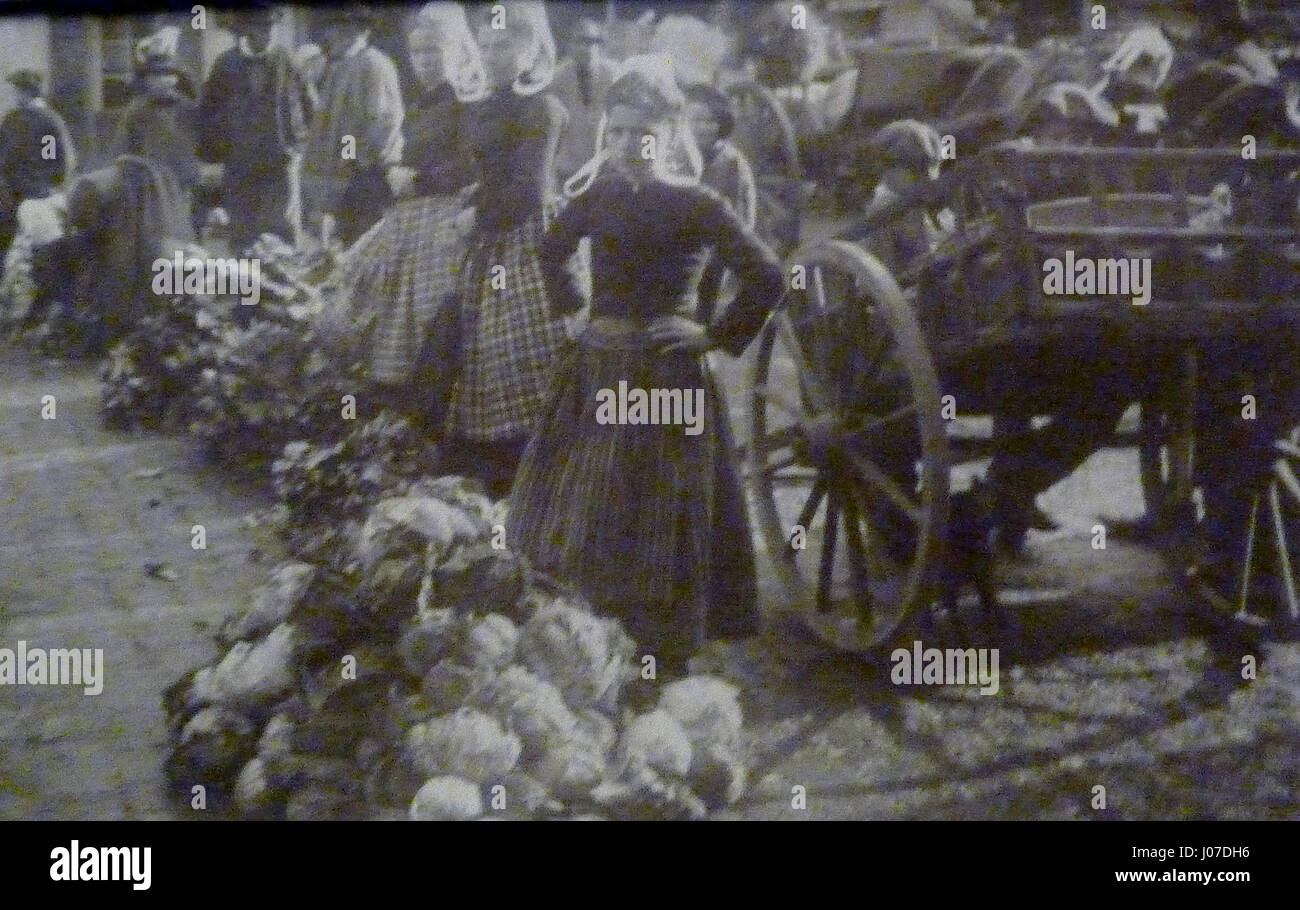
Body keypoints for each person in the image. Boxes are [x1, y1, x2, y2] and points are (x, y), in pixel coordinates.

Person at [507, 57, 785, 675]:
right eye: (618, 132)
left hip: (669, 375)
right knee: (588, 499)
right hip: (598, 368)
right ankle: (589, 634)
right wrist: (575, 312)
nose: (630, 146)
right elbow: (549, 251)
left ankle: (663, 643)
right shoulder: (596, 195)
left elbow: (768, 275)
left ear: (670, 132)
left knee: (662, 506)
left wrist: (711, 335)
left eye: (643, 133)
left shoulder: (696, 203)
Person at [439, 0, 569, 498]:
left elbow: (529, 191)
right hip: (488, 233)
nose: (493, 55)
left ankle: (539, 470)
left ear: (530, 48)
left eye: (504, 46)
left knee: (520, 351)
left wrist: (479, 213)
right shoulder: (484, 106)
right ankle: (499, 471)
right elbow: (485, 169)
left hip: (525, 236)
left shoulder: (541, 108)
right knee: (481, 352)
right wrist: (472, 195)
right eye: (485, 45)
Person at [348, 1, 479, 428]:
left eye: (433, 52)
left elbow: (471, 165)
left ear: (457, 52)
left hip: (449, 218)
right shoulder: (423, 102)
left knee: (429, 316)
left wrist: (418, 180)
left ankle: (435, 418)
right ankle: (397, 414)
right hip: (414, 215)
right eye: (418, 53)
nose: (423, 62)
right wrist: (396, 172)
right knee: (374, 296)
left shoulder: (467, 102)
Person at [197, 3, 313, 253]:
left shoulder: (287, 61)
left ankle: (286, 289)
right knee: (242, 237)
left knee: (282, 235)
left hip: (279, 167)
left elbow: (310, 108)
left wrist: (297, 147)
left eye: (271, 26)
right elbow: (208, 114)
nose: (268, 33)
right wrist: (218, 152)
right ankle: (245, 288)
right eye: (261, 27)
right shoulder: (225, 65)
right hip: (240, 167)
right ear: (246, 30)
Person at [300, 5, 404, 247]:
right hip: (341, 185)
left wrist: (354, 162)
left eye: (337, 29)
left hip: (364, 181)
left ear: (354, 31)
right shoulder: (338, 67)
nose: (330, 36)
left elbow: (383, 122)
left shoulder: (374, 64)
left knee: (365, 249)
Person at [108, 29, 201, 229]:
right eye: (157, 75)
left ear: (176, 78)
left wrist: (193, 176)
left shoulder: (188, 108)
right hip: (149, 187)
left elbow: (198, 145)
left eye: (168, 74)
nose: (164, 81)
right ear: (147, 79)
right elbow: (122, 151)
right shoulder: (136, 111)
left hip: (181, 184)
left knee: (184, 235)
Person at [683, 83, 757, 324]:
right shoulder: (677, 158)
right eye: (693, 121)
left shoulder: (733, 164)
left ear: (721, 125)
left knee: (705, 302)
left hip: (714, 250)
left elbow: (743, 216)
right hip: (680, 248)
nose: (700, 128)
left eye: (708, 121)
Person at [549, 18, 619, 186]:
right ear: (570, 45)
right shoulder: (556, 79)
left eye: (593, 42)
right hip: (567, 168)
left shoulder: (614, 74)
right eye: (581, 41)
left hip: (604, 167)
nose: (588, 48)